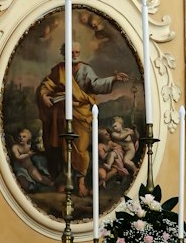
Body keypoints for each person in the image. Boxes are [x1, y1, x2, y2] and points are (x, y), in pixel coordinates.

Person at [35, 41, 129, 195]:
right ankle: (66, 181)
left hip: (82, 113)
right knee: (64, 148)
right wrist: (44, 95)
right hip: (62, 114)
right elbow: (47, 84)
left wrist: (113, 79)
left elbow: (97, 84)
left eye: (77, 52)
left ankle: (80, 182)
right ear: (64, 53)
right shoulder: (59, 69)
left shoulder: (86, 70)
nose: (74, 55)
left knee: (81, 149)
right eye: (71, 53)